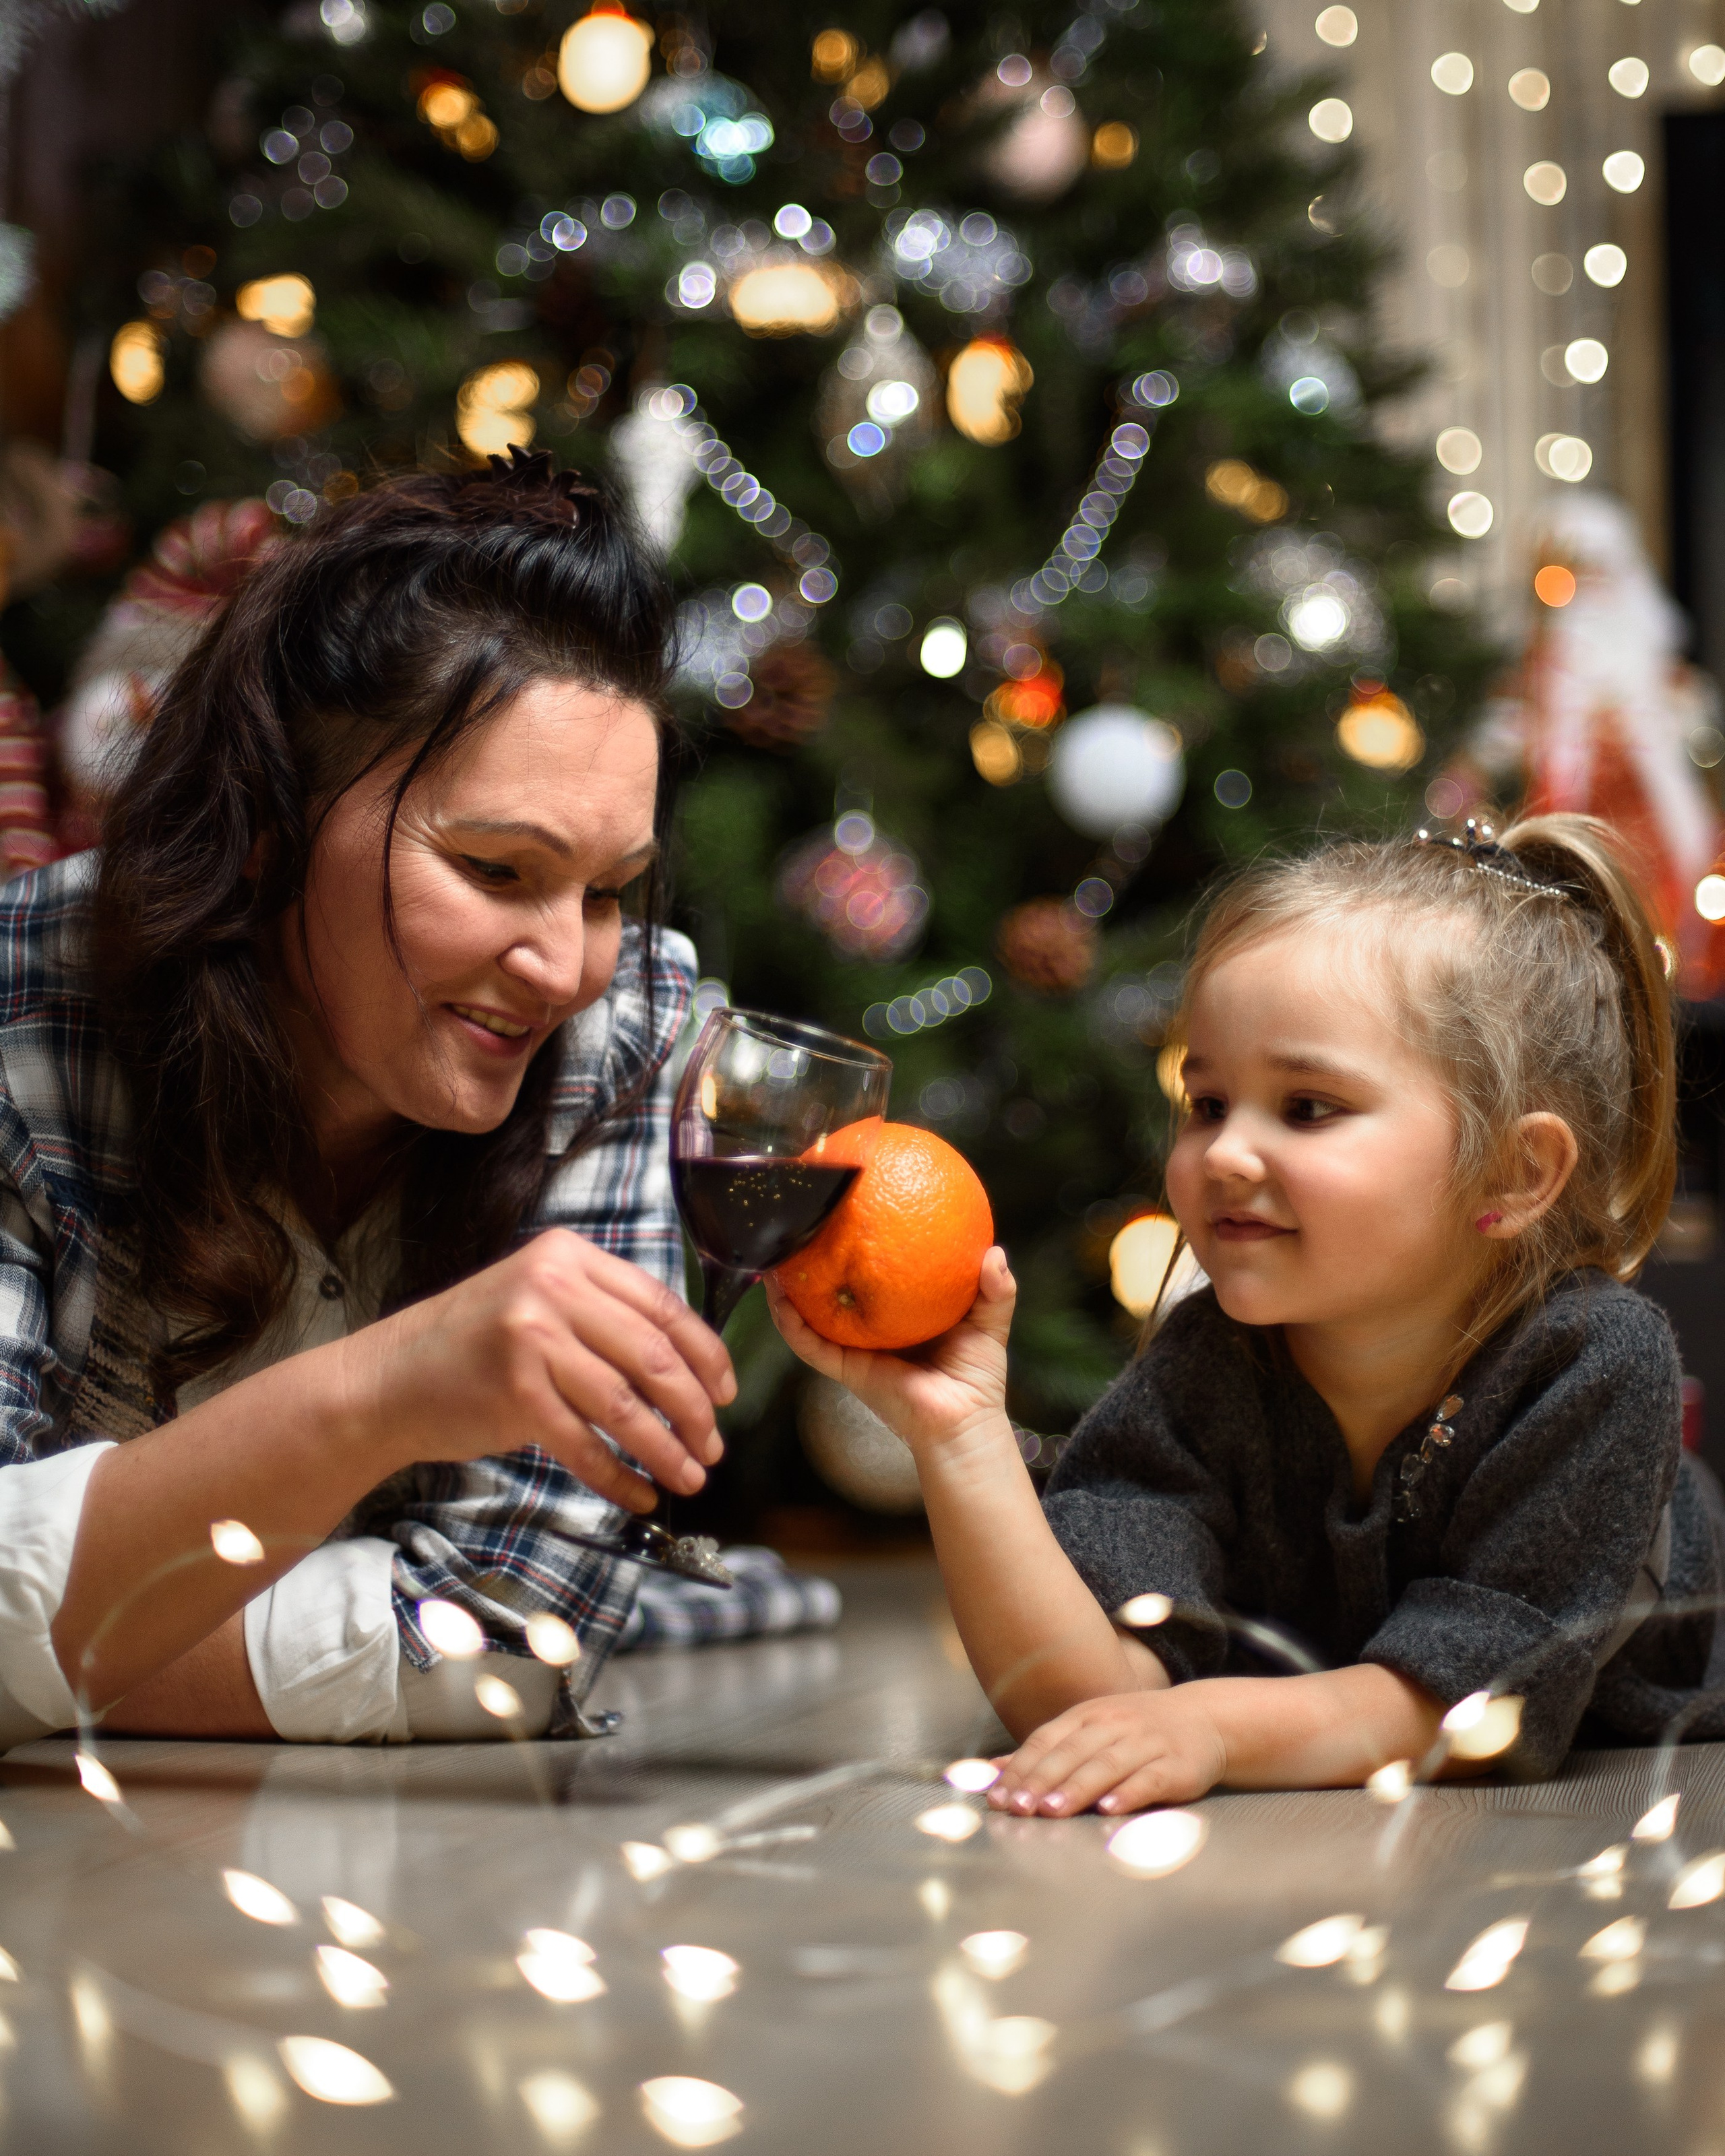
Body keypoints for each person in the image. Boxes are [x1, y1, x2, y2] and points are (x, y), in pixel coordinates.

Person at [0, 451, 739, 1750]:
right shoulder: (23, 1018)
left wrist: (74, 1625)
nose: (564, 968)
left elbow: (517, 1644)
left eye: (609, 891)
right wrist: (386, 1391)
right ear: (268, 824)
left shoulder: (630, 1036)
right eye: (496, 869)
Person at [772, 813, 1723, 1806]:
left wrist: (1214, 1727)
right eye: (1209, 1103)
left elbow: (1478, 1714)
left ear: (1517, 1173)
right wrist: (962, 1438)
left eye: (1308, 1107)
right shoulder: (1209, 1365)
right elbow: (1092, 1704)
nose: (1221, 1155)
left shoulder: (1595, 1361)